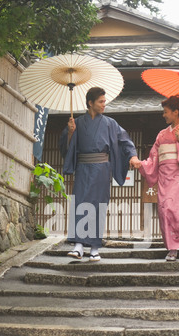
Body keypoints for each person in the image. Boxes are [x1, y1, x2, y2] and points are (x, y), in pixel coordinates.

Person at [60, 87, 138, 262]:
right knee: (80, 203)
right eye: (101, 101)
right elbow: (67, 148)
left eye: (104, 101)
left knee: (98, 206)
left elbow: (125, 140)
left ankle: (94, 247)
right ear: (90, 103)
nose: (104, 104)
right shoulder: (77, 123)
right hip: (82, 167)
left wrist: (132, 156)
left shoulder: (110, 123)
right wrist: (71, 132)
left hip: (102, 168)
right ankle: (79, 245)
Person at [131, 95, 179, 262]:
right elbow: (154, 159)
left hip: (178, 176)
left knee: (173, 208)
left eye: (166, 112)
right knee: (163, 211)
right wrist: (141, 164)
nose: (163, 115)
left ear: (176, 112)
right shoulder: (161, 135)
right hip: (164, 176)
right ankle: (172, 248)